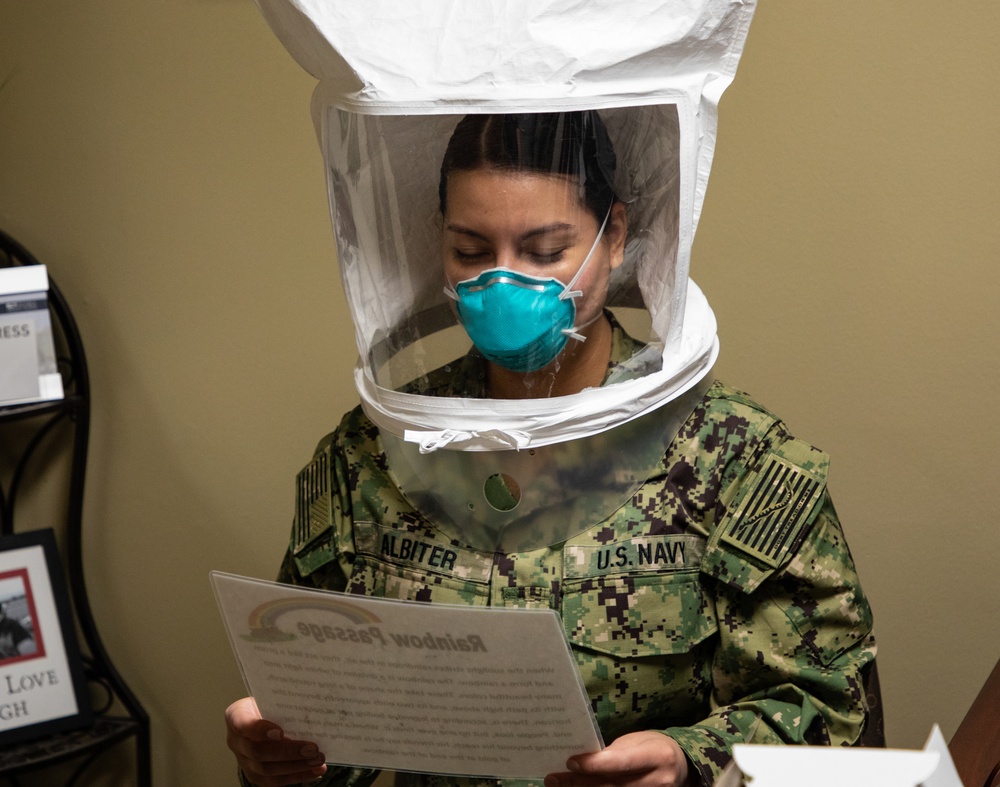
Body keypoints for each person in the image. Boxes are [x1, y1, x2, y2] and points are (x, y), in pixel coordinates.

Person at [225, 112, 876, 787]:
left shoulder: (733, 462)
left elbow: (830, 713)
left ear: (615, 234)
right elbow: (325, 718)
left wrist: (690, 763)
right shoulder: (373, 454)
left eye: (543, 251)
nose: (502, 285)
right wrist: (282, 758)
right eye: (472, 251)